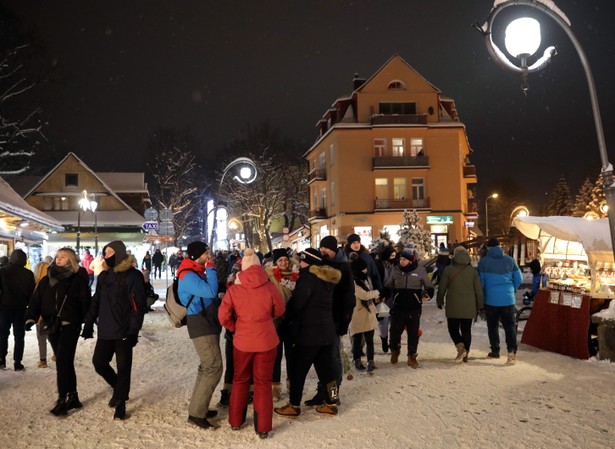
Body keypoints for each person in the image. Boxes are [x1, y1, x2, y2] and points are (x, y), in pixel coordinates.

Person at [218, 248, 285, 439]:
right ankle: (263, 427)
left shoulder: (235, 289)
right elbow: (279, 310)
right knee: (263, 383)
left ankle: (236, 421)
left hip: (242, 341)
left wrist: (235, 327)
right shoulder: (270, 286)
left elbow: (223, 316)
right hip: (266, 340)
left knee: (240, 380)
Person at [82, 240, 146, 420]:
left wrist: (133, 330)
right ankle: (119, 389)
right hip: (106, 328)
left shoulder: (133, 276)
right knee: (99, 362)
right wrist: (88, 322)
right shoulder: (104, 276)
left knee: (124, 367)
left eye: (109, 253)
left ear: (118, 253)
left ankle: (120, 402)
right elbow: (97, 300)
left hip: (124, 329)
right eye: (104, 253)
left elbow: (137, 306)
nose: (105, 256)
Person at [275, 248, 342, 418]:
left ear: (309, 262)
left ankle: (294, 405)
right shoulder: (327, 279)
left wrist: (285, 317)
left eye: (302, 260)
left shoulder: (307, 278)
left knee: (298, 371)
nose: (300, 263)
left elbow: (297, 304)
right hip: (326, 332)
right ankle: (332, 402)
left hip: (309, 334)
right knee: (328, 371)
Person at [25, 248, 91, 416]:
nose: (58, 259)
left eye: (63, 257)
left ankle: (62, 398)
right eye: (57, 257)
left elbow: (85, 301)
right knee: (65, 361)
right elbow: (36, 300)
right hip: (51, 324)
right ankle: (74, 396)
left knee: (62, 360)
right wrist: (30, 318)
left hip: (71, 324)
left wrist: (88, 322)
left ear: (70, 260)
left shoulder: (77, 279)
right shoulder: (47, 280)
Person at [177, 241, 222, 430]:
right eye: (206, 254)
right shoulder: (188, 275)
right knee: (213, 367)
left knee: (206, 367)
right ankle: (196, 413)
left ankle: (199, 407)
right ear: (197, 256)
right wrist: (211, 269)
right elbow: (210, 291)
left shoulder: (195, 271)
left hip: (206, 321)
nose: (209, 256)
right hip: (200, 323)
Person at [306, 235, 353, 407]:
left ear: (334, 250)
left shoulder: (344, 267)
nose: (323, 251)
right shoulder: (321, 264)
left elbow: (349, 298)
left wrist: (344, 322)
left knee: (333, 359)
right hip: (321, 319)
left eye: (326, 248)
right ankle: (322, 392)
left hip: (335, 320)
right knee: (322, 360)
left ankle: (333, 394)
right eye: (321, 248)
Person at [385, 248, 434, 368]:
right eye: (400, 259)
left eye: (404, 259)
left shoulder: (420, 270)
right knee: (395, 332)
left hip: (414, 307)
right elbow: (388, 285)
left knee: (413, 333)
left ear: (411, 261)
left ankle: (412, 356)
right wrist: (383, 295)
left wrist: (429, 294)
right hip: (398, 307)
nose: (401, 261)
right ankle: (395, 350)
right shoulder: (395, 270)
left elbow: (429, 286)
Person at [477, 238, 522, 365]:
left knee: (492, 326)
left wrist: (486, 293)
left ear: (488, 248)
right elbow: (519, 278)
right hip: (507, 299)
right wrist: (511, 289)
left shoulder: (483, 262)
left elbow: (481, 282)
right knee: (509, 327)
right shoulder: (510, 260)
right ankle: (511, 352)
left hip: (490, 299)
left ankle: (495, 351)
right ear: (500, 246)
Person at [436, 246, 484, 363]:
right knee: (466, 330)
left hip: (453, 305)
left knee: (453, 329)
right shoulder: (472, 271)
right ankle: (465, 353)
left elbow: (442, 287)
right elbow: (478, 290)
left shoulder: (448, 270)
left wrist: (440, 300)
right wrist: (480, 305)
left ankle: (460, 346)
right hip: (469, 305)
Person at [265, 248, 298, 401]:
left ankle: (293, 385)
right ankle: (275, 388)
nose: (284, 263)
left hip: (291, 321)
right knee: (276, 356)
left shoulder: (296, 276)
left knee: (292, 356)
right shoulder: (270, 276)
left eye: (285, 259)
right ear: (275, 263)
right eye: (280, 260)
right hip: (276, 322)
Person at [0, 249, 36, 370]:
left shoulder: (3, 271)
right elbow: (32, 294)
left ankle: (1, 359)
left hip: (4, 307)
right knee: (19, 336)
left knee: (2, 334)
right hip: (21, 308)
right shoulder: (29, 274)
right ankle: (17, 362)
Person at [348, 253, 380, 373]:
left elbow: (368, 294)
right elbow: (364, 295)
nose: (366, 270)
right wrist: (376, 293)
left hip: (367, 314)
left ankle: (370, 361)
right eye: (364, 268)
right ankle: (357, 361)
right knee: (357, 341)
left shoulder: (364, 279)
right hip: (358, 314)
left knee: (369, 340)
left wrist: (374, 297)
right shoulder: (354, 283)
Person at [374, 246, 397, 353]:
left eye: (395, 255)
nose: (393, 258)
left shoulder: (395, 265)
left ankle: (393, 342)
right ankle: (384, 339)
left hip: (394, 297)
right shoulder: (379, 265)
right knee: (383, 321)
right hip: (383, 297)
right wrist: (380, 294)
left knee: (394, 321)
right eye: (392, 255)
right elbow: (377, 280)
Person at [32, 256, 54, 368]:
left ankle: (43, 361)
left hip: (41, 317)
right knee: (52, 335)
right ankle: (56, 354)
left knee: (41, 338)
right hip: (52, 316)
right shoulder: (54, 284)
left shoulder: (36, 286)